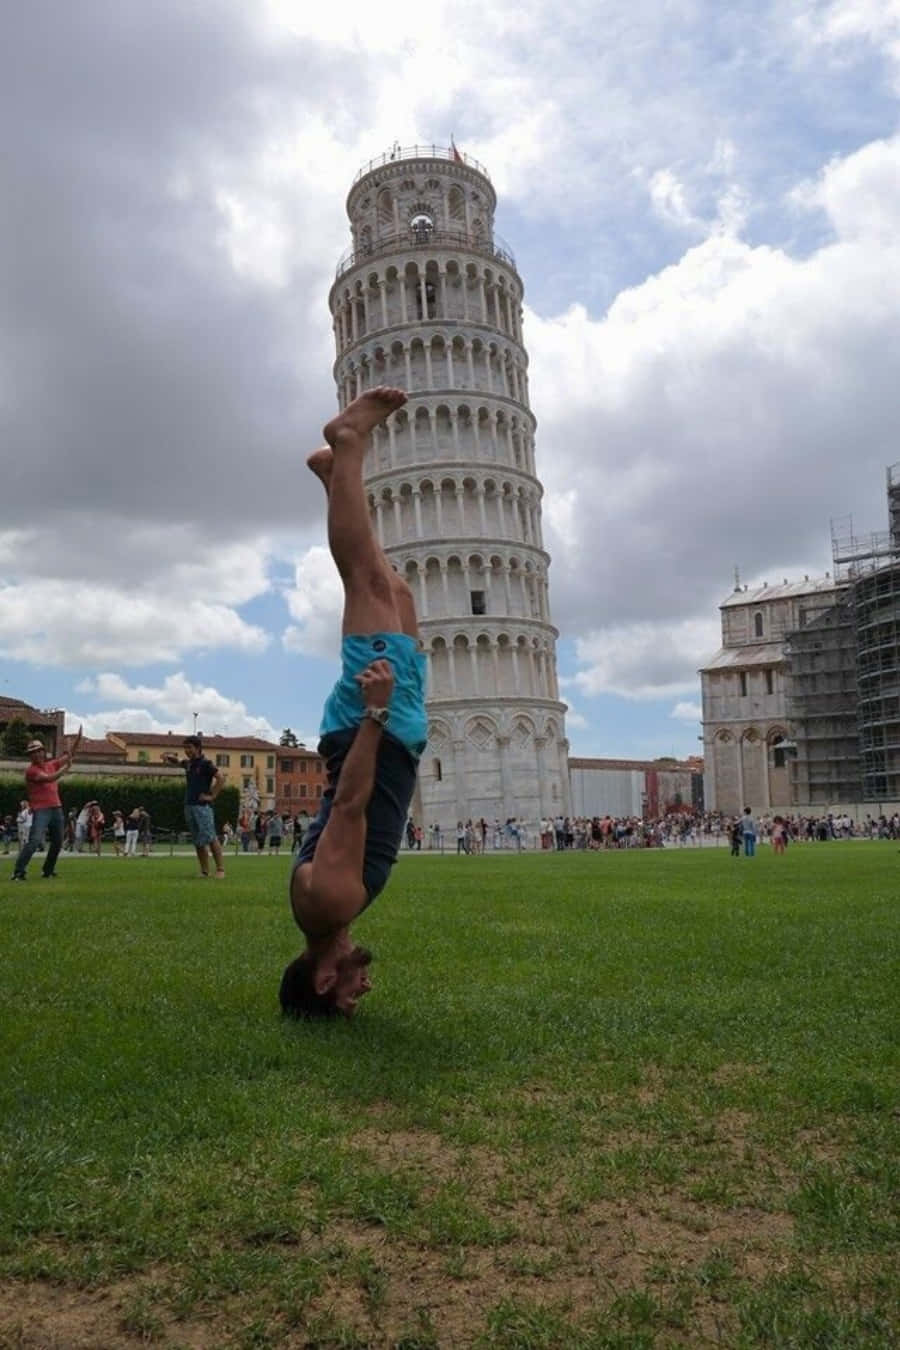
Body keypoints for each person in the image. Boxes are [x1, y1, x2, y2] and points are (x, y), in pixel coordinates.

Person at [280, 387, 425, 1020]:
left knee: (365, 582)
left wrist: (377, 711)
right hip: (385, 729)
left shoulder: (332, 903)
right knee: (399, 593)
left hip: (376, 726)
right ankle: (332, 477)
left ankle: (349, 442)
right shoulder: (315, 913)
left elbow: (351, 803)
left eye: (348, 999)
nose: (362, 991)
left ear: (321, 982)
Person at [11, 729, 82, 881]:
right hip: (41, 809)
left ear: (43, 752)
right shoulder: (32, 771)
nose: (36, 754)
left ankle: (48, 871)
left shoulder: (51, 764)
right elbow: (50, 778)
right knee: (35, 841)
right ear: (30, 756)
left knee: (57, 842)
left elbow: (68, 755)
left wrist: (77, 741)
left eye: (39, 751)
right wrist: (66, 768)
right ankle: (19, 871)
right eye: (33, 752)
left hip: (56, 807)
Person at [161, 736, 226, 878]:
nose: (186, 750)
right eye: (185, 748)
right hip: (189, 805)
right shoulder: (189, 764)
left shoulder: (206, 764)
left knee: (210, 837)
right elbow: (178, 761)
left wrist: (212, 796)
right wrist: (169, 757)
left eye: (189, 747)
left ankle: (220, 870)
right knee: (197, 840)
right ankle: (204, 871)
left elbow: (221, 778)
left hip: (203, 806)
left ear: (197, 748)